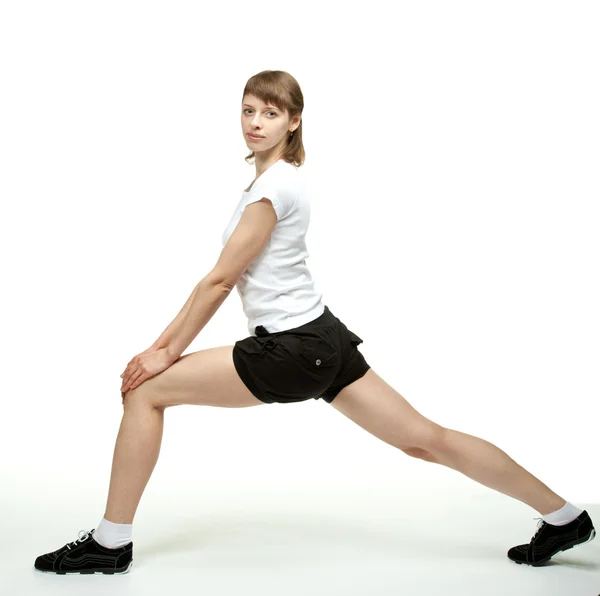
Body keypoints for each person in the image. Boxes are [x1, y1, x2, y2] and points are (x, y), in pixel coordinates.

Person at [34, 70, 595, 575]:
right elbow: (215, 280)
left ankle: (110, 544)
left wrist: (161, 353)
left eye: (271, 113)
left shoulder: (273, 188)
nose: (256, 122)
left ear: (294, 120)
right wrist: (162, 345)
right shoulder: (278, 181)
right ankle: (564, 516)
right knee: (425, 440)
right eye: (249, 110)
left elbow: (218, 282)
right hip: (322, 336)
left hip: (294, 349)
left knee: (146, 392)